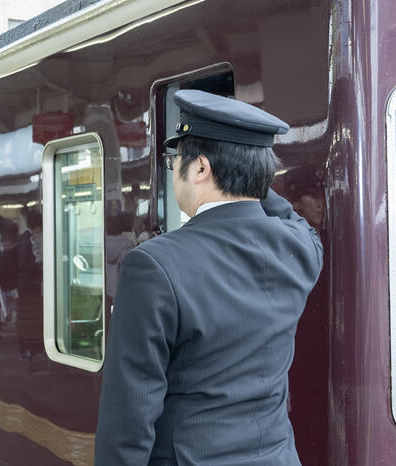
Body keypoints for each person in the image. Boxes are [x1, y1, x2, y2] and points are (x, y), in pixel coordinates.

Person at [94, 90, 323, 465]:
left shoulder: (152, 267)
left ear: (200, 169)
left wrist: (245, 171)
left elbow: (129, 419)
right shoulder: (300, 249)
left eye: (175, 162)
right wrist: (250, 174)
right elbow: (287, 216)